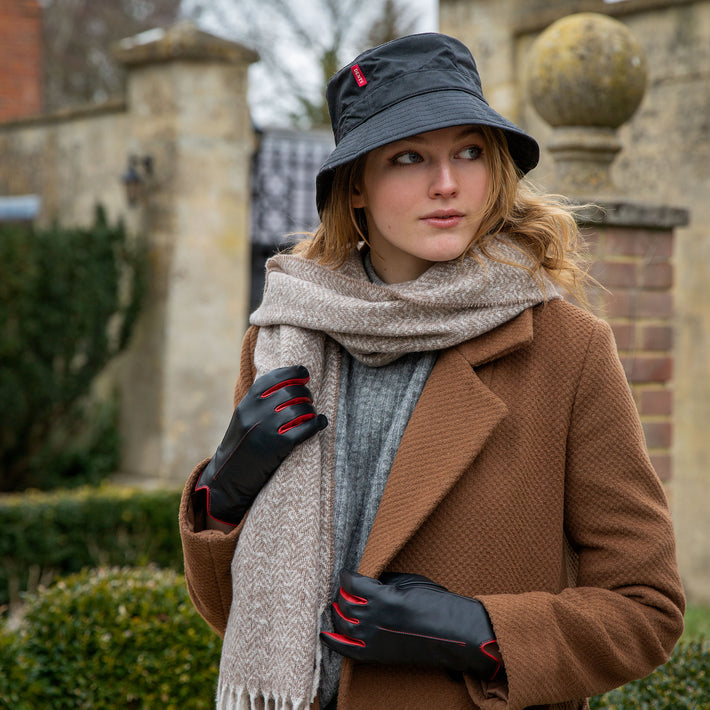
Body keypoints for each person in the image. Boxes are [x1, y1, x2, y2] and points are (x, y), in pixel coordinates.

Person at [179, 33, 685, 710]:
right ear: (356, 186)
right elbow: (238, 617)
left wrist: (477, 632)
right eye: (409, 157)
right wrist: (224, 495)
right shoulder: (284, 337)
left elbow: (645, 609)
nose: (446, 184)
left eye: (469, 152)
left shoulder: (565, 349)